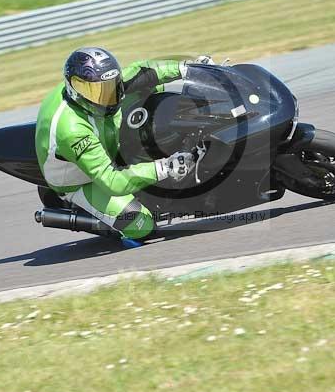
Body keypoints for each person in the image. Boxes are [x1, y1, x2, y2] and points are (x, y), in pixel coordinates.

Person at [35, 46, 213, 246]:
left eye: (110, 86)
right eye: (94, 91)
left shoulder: (107, 87)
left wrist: (188, 69)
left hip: (103, 133)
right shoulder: (72, 130)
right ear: (73, 88)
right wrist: (166, 167)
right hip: (81, 179)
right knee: (142, 225)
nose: (105, 97)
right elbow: (112, 180)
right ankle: (98, 219)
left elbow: (144, 71)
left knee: (148, 88)